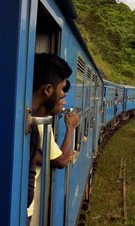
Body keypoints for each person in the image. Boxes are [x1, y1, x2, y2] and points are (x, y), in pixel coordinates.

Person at [27, 53, 74, 224]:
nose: (63, 97)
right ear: (48, 90)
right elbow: (61, 161)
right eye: (62, 90)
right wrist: (70, 128)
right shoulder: (32, 123)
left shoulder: (28, 120)